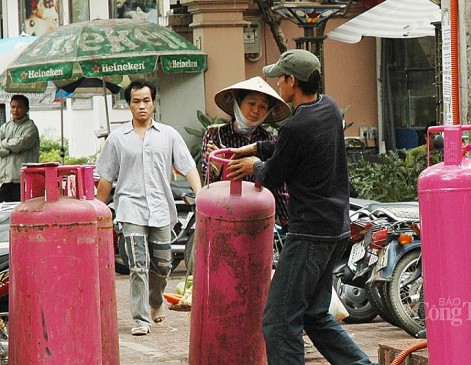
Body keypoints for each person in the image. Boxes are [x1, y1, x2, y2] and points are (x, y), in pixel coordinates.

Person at [225, 49, 378, 365]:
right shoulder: (329, 108)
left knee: (278, 322)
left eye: (280, 78)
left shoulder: (297, 127)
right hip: (335, 229)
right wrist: (257, 147)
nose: (277, 85)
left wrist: (255, 164)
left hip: (309, 235)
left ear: (291, 81)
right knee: (314, 314)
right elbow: (292, 149)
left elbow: (273, 173)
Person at [168, 76, 291, 312]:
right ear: (238, 103)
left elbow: (279, 185)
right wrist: (215, 165)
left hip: (259, 217)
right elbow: (207, 178)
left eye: (262, 107)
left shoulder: (270, 140)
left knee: (256, 274)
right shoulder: (216, 135)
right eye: (251, 103)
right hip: (226, 217)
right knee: (226, 272)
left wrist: (285, 221)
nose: (255, 110)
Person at [96, 79, 202, 336]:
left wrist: (201, 195)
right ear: (128, 104)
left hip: (161, 209)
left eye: (146, 100)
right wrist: (97, 211)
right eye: (136, 101)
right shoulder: (117, 139)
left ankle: (155, 301)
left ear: (153, 103)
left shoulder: (169, 135)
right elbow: (106, 178)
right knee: (138, 265)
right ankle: (140, 318)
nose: (141, 106)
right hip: (130, 208)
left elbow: (188, 167)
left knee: (163, 265)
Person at [0, 95, 40, 202]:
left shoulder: (31, 128)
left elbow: (20, 144)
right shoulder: (5, 127)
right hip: (4, 180)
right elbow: (15, 145)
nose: (15, 110)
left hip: (22, 181)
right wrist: (9, 147)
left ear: (27, 109)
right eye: (13, 107)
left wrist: (4, 142)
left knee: (20, 213)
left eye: (19, 107)